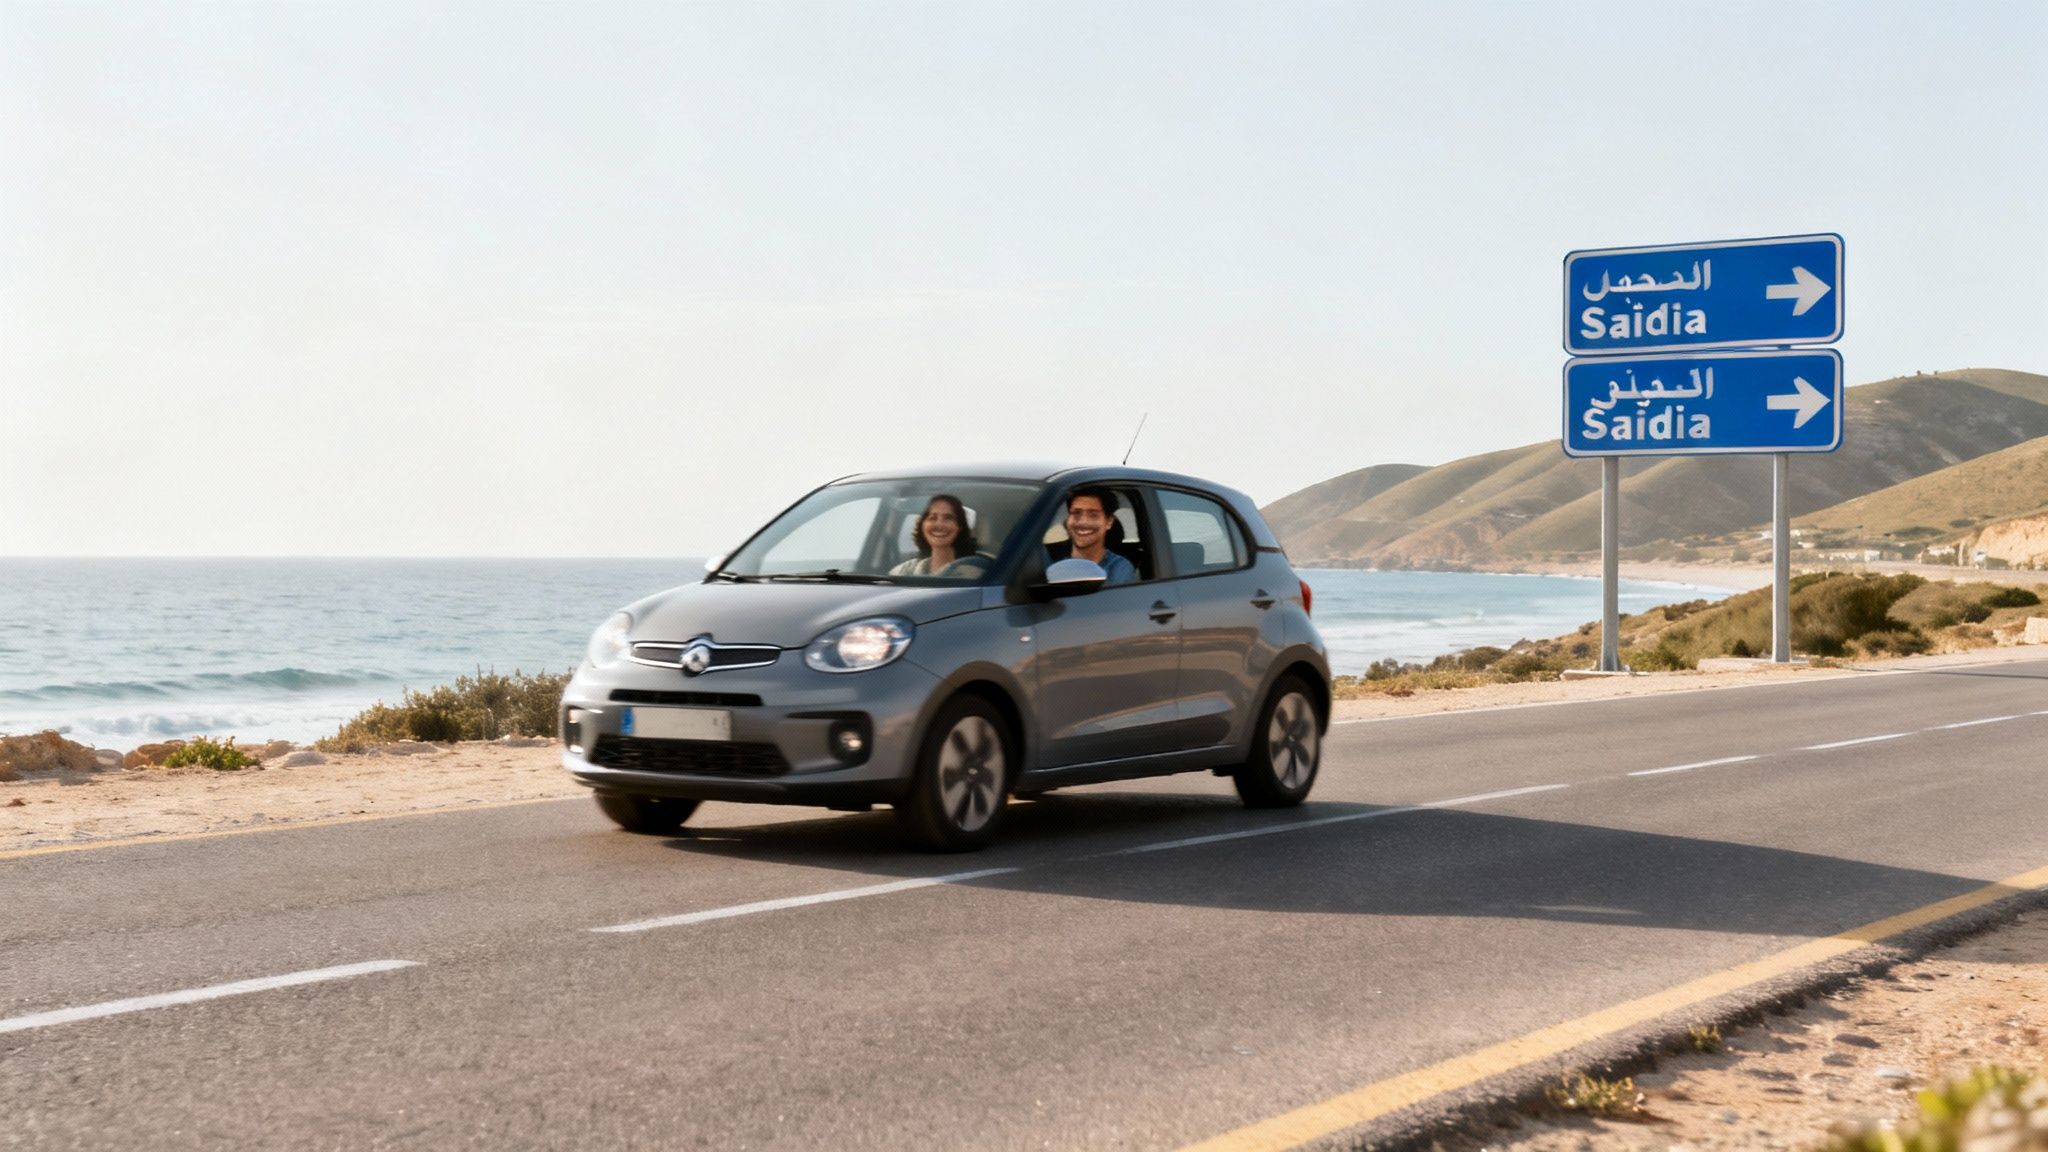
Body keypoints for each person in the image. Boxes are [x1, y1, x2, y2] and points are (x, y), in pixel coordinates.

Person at [891, 494, 991, 578]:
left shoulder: (976, 574)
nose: (939, 525)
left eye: (948, 518)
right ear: (922, 525)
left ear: (959, 526)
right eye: (932, 518)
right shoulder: (904, 572)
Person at [1060, 486, 1137, 586]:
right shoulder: (1047, 564)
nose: (1083, 522)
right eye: (1076, 513)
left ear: (1109, 522)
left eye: (1093, 515)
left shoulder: (1118, 569)